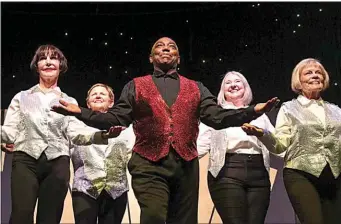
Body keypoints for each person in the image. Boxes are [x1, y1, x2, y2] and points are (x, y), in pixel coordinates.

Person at [52, 37, 279, 224]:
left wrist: (252, 111)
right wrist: (79, 112)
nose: (166, 48)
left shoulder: (196, 87)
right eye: (160, 46)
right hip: (148, 164)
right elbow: (116, 117)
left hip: (185, 166)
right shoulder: (136, 85)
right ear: (151, 58)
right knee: (153, 216)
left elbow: (217, 117)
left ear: (178, 58)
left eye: (172, 47)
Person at [0, 44, 113, 224]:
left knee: (50, 218)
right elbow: (10, 131)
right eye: (42, 58)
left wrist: (102, 136)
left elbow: (76, 132)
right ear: (36, 66)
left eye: (53, 58)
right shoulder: (21, 97)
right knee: (21, 216)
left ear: (61, 65)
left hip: (57, 164)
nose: (48, 61)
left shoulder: (68, 101)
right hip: (25, 161)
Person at [242, 58, 341, 224]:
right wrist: (262, 134)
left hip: (334, 175)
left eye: (319, 73)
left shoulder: (336, 110)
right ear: (299, 81)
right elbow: (280, 145)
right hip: (301, 173)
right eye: (309, 73)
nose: (315, 75)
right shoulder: (289, 108)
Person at [197, 71, 278, 224]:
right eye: (228, 83)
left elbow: (277, 145)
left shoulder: (260, 115)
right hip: (227, 172)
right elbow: (198, 147)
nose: (233, 85)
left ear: (245, 87)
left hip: (259, 174)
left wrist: (261, 133)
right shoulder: (216, 115)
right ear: (222, 90)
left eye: (238, 81)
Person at [70, 83, 135, 224]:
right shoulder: (75, 124)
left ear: (111, 102)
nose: (98, 95)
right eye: (94, 94)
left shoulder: (127, 127)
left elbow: (133, 152)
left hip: (116, 191)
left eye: (102, 94)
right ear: (87, 103)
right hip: (85, 189)